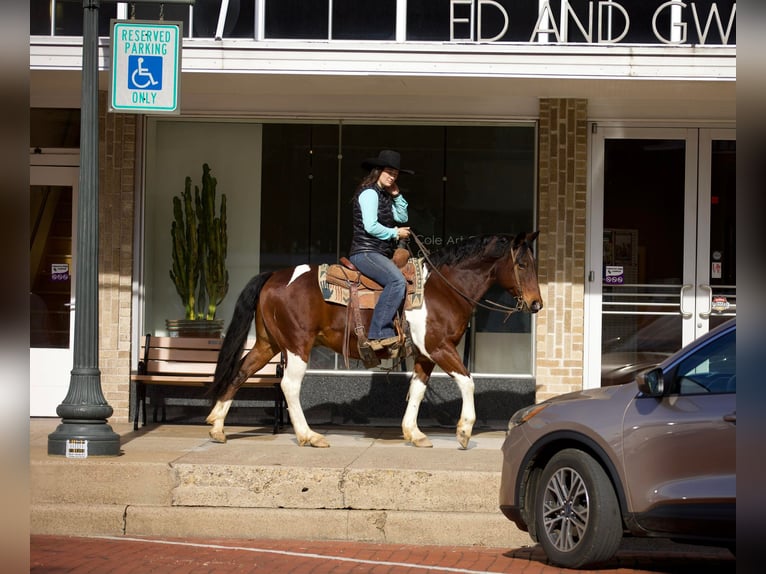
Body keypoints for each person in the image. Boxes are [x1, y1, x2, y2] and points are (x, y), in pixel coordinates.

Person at [349, 150, 413, 351]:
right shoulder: (369, 193)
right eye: (388, 172)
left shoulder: (384, 195)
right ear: (377, 171)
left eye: (395, 173)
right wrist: (396, 233)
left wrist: (397, 195)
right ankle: (379, 332)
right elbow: (371, 226)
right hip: (365, 252)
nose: (392, 176)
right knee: (397, 281)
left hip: (377, 252)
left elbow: (402, 218)